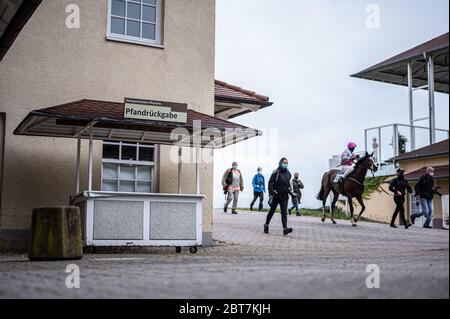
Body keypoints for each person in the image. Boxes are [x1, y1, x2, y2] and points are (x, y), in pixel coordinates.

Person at [264, 158, 293, 236]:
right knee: (272, 211)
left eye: (287, 163)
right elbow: (270, 182)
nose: (285, 164)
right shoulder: (276, 172)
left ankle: (285, 229)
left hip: (284, 196)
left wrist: (291, 193)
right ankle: (266, 224)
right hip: (276, 195)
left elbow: (289, 185)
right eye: (284, 162)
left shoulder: (289, 173)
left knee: (284, 213)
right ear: (280, 163)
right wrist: (271, 191)